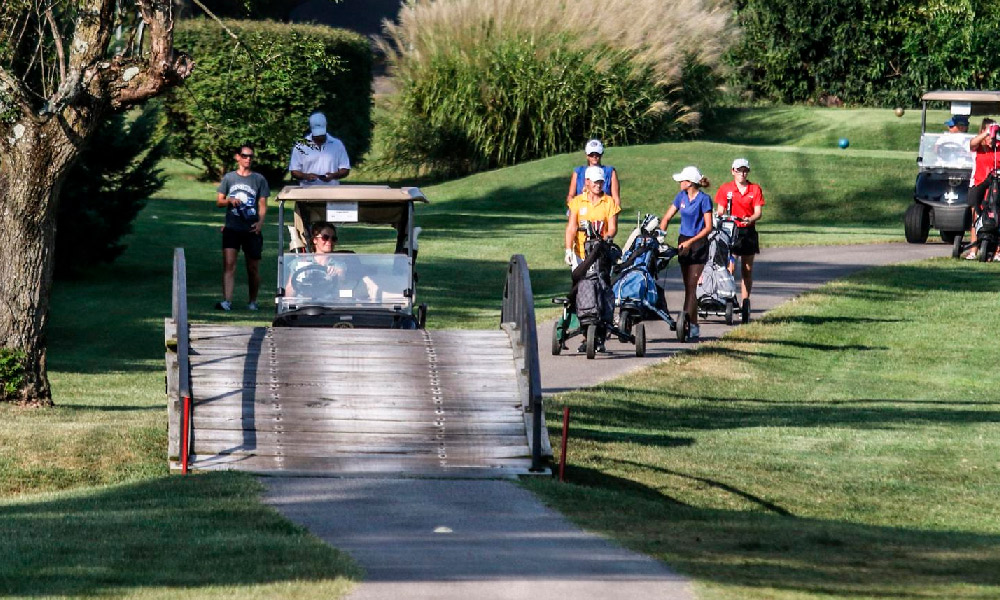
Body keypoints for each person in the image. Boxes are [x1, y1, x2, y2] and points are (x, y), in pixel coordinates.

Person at [660, 166, 713, 340]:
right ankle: (692, 323)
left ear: (690, 183)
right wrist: (660, 236)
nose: (680, 183)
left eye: (682, 180)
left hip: (698, 243)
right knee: (687, 287)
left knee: (691, 286)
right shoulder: (681, 197)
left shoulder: (704, 200)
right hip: (683, 241)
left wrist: (690, 243)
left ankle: (687, 324)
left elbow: (708, 227)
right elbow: (667, 218)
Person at [215, 143, 269, 311]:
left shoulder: (258, 179)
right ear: (237, 157)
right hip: (232, 227)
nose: (248, 159)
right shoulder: (229, 178)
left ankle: (252, 301)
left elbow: (263, 204)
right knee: (229, 265)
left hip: (251, 229)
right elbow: (219, 201)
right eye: (244, 156)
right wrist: (229, 201)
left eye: (250, 156)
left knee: (252, 268)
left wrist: (260, 223)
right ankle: (227, 301)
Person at [715, 158, 764, 309]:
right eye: (739, 170)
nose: (742, 173)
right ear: (733, 171)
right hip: (730, 231)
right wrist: (721, 218)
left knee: (747, 269)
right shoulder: (726, 189)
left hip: (747, 231)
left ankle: (745, 301)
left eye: (745, 170)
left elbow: (758, 212)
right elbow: (720, 210)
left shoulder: (754, 189)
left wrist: (750, 219)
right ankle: (729, 298)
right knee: (730, 267)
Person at [286, 222, 377, 299]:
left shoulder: (339, 264)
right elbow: (289, 294)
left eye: (333, 239)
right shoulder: (300, 262)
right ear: (315, 240)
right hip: (304, 307)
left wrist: (339, 277)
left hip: (327, 307)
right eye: (325, 237)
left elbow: (342, 293)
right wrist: (298, 281)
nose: (329, 242)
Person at [565, 165, 621, 266]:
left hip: (601, 254)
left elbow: (613, 229)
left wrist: (602, 242)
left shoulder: (609, 202)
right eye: (595, 182)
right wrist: (568, 250)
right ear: (587, 181)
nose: (598, 185)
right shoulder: (577, 202)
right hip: (580, 254)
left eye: (601, 182)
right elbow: (571, 228)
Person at [964, 118, 998, 259]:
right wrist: (986, 134)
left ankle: (997, 251)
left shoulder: (997, 147)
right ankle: (973, 249)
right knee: (976, 216)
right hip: (979, 184)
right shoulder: (978, 146)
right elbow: (971, 144)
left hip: (996, 186)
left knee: (997, 215)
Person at [288, 111, 351, 186]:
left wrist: (333, 175)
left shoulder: (337, 144)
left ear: (326, 126)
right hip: (307, 192)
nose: (319, 137)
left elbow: (345, 169)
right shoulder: (300, 146)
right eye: (317, 135)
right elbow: (294, 171)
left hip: (332, 192)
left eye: (321, 134)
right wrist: (305, 176)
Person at [566, 139, 621, 208]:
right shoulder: (578, 172)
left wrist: (614, 213)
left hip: (604, 211)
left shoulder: (610, 172)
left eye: (597, 154)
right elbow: (571, 195)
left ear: (601, 154)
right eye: (591, 154)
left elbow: (616, 198)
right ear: (587, 155)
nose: (594, 156)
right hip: (581, 211)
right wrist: (574, 207)